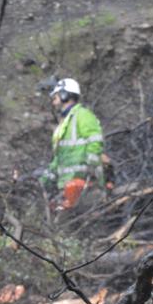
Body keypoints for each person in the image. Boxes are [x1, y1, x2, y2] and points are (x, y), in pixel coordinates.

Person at [44, 77, 111, 210]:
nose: (54, 98)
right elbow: (60, 155)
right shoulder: (65, 122)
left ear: (65, 94)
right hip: (67, 183)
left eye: (57, 94)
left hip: (83, 181)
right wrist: (47, 178)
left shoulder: (83, 115)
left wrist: (91, 170)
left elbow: (95, 142)